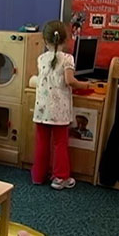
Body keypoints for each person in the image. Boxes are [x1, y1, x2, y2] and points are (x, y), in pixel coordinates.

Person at [31, 20, 92, 190]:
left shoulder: (41, 58)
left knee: (42, 143)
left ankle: (38, 175)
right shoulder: (67, 59)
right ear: (66, 40)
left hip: (41, 109)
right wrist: (85, 85)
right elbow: (69, 81)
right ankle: (60, 177)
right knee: (60, 144)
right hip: (59, 111)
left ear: (45, 41)